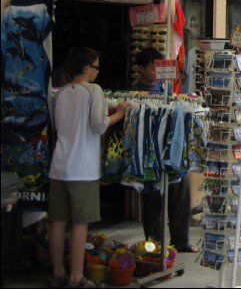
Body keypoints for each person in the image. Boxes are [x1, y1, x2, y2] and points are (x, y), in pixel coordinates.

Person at [48, 46, 130, 289]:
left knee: (58, 221)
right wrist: (120, 113)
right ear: (86, 68)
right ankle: (76, 277)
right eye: (96, 67)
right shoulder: (93, 91)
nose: (98, 72)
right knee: (80, 224)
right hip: (82, 168)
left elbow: (57, 127)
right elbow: (99, 125)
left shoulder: (60, 93)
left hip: (59, 166)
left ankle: (57, 273)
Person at [133, 48, 198, 253]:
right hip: (151, 154)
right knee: (153, 199)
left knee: (181, 194)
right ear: (141, 69)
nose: (157, 71)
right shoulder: (135, 93)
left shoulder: (165, 88)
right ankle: (155, 246)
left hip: (173, 152)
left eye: (160, 66)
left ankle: (181, 240)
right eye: (154, 67)